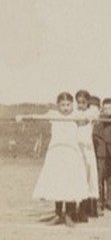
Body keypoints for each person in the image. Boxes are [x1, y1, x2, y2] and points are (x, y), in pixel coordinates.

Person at [18, 92, 89, 227]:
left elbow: (88, 118)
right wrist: (23, 116)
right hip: (56, 154)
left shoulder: (75, 115)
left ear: (72, 105)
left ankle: (68, 215)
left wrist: (91, 116)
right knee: (58, 183)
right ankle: (58, 214)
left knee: (69, 184)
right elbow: (36, 117)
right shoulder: (53, 115)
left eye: (68, 105)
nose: (66, 108)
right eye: (62, 105)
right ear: (58, 105)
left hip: (71, 154)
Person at [75, 90, 100, 220]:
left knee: (89, 178)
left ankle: (88, 208)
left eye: (83, 102)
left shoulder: (92, 112)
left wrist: (85, 115)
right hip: (77, 149)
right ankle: (76, 209)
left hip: (87, 149)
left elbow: (91, 115)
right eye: (78, 102)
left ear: (88, 103)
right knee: (78, 178)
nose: (80, 105)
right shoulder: (74, 113)